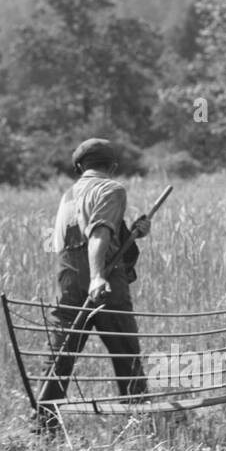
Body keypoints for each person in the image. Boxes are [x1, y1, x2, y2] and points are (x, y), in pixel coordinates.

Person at [35, 138, 151, 433]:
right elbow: (98, 233)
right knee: (126, 353)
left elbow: (75, 237)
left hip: (68, 282)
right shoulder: (111, 188)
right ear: (112, 166)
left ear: (79, 167)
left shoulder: (68, 195)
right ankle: (138, 423)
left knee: (61, 355)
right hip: (105, 285)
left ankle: (43, 425)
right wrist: (98, 276)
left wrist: (131, 235)